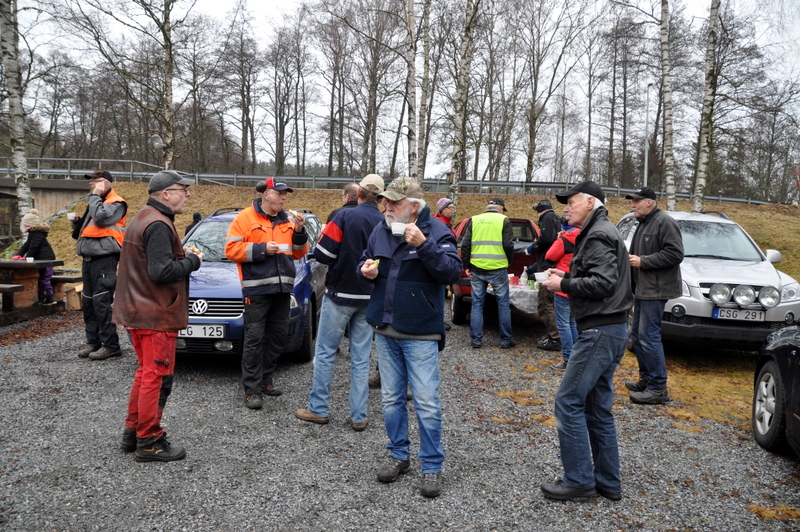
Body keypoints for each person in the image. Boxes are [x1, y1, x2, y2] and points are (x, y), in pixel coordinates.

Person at [358, 176, 461, 499]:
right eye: (385, 201)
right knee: (391, 399)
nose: (386, 206)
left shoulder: (438, 231)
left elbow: (451, 273)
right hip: (385, 328)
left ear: (414, 207)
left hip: (421, 333)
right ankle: (398, 455)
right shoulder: (381, 229)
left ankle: (431, 465)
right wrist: (365, 269)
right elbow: (366, 257)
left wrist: (424, 245)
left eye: (394, 202)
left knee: (427, 402)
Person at [539, 181, 633, 502]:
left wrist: (563, 284)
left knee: (567, 401)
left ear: (591, 202)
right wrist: (566, 277)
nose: (566, 208)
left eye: (571, 202)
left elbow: (603, 283)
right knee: (597, 409)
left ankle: (579, 481)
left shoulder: (598, 234)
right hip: (611, 329)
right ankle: (608, 482)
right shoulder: (600, 230)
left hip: (600, 331)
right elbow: (602, 279)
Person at [112, 170, 203, 462]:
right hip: (154, 315)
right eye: (183, 190)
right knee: (157, 377)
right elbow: (161, 271)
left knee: (145, 373)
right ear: (166, 194)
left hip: (138, 311)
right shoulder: (158, 224)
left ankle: (132, 432)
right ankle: (149, 440)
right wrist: (193, 260)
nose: (188, 195)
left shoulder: (143, 217)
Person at [296, 174, 386, 430]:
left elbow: (323, 255)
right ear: (381, 198)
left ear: (358, 194)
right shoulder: (385, 222)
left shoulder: (344, 216)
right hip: (369, 297)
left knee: (325, 353)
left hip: (340, 294)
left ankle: (319, 409)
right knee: (361, 358)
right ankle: (359, 416)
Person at [225, 177, 308, 409]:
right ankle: (252, 390)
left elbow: (299, 253)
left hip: (282, 289)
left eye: (285, 194)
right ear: (266, 194)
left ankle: (265, 380)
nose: (284, 197)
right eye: (280, 193)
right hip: (256, 289)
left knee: (279, 336)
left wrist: (299, 231)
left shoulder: (288, 220)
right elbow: (231, 250)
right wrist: (262, 249)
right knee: (254, 339)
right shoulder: (245, 218)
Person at [623, 187, 684, 405]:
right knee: (638, 336)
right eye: (632, 201)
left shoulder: (664, 222)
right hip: (642, 289)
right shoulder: (643, 222)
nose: (633, 205)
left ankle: (658, 388)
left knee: (648, 336)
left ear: (649, 202)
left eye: (637, 201)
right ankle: (647, 380)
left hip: (656, 290)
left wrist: (644, 261)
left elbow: (676, 254)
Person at [69, 169, 127, 361]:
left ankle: (111, 345)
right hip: (89, 258)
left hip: (105, 258)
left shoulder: (117, 203)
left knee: (101, 302)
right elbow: (89, 229)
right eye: (91, 181)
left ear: (107, 183)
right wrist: (78, 222)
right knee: (88, 302)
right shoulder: (97, 202)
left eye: (96, 181)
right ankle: (93, 342)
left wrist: (94, 197)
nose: (92, 184)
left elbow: (102, 218)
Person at [460, 197, 515, 349]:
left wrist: (466, 266)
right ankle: (506, 340)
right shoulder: (504, 220)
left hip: (477, 267)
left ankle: (476, 340)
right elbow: (508, 245)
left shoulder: (474, 220)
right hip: (498, 268)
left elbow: (466, 244)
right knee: (503, 305)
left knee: (477, 304)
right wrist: (509, 261)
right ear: (501, 208)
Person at [544, 216, 579, 370]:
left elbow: (549, 256)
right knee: (573, 323)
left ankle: (567, 358)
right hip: (576, 283)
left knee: (563, 324)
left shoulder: (564, 239)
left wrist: (559, 239)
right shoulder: (584, 236)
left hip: (562, 285)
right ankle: (576, 356)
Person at [528, 199, 561, 351]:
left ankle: (555, 338)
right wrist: (535, 266)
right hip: (554, 268)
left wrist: (534, 247)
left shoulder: (547, 218)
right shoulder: (557, 219)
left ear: (539, 211)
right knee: (555, 304)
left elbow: (546, 240)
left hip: (548, 269)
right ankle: (556, 335)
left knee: (545, 303)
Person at [12, 208, 57, 305]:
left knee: (44, 279)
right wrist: (19, 254)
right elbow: (27, 245)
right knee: (40, 279)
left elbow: (34, 247)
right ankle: (41, 299)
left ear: (29, 224)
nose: (23, 226)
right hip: (41, 259)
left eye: (25, 224)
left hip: (47, 260)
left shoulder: (37, 234)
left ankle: (50, 298)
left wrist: (27, 257)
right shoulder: (32, 233)